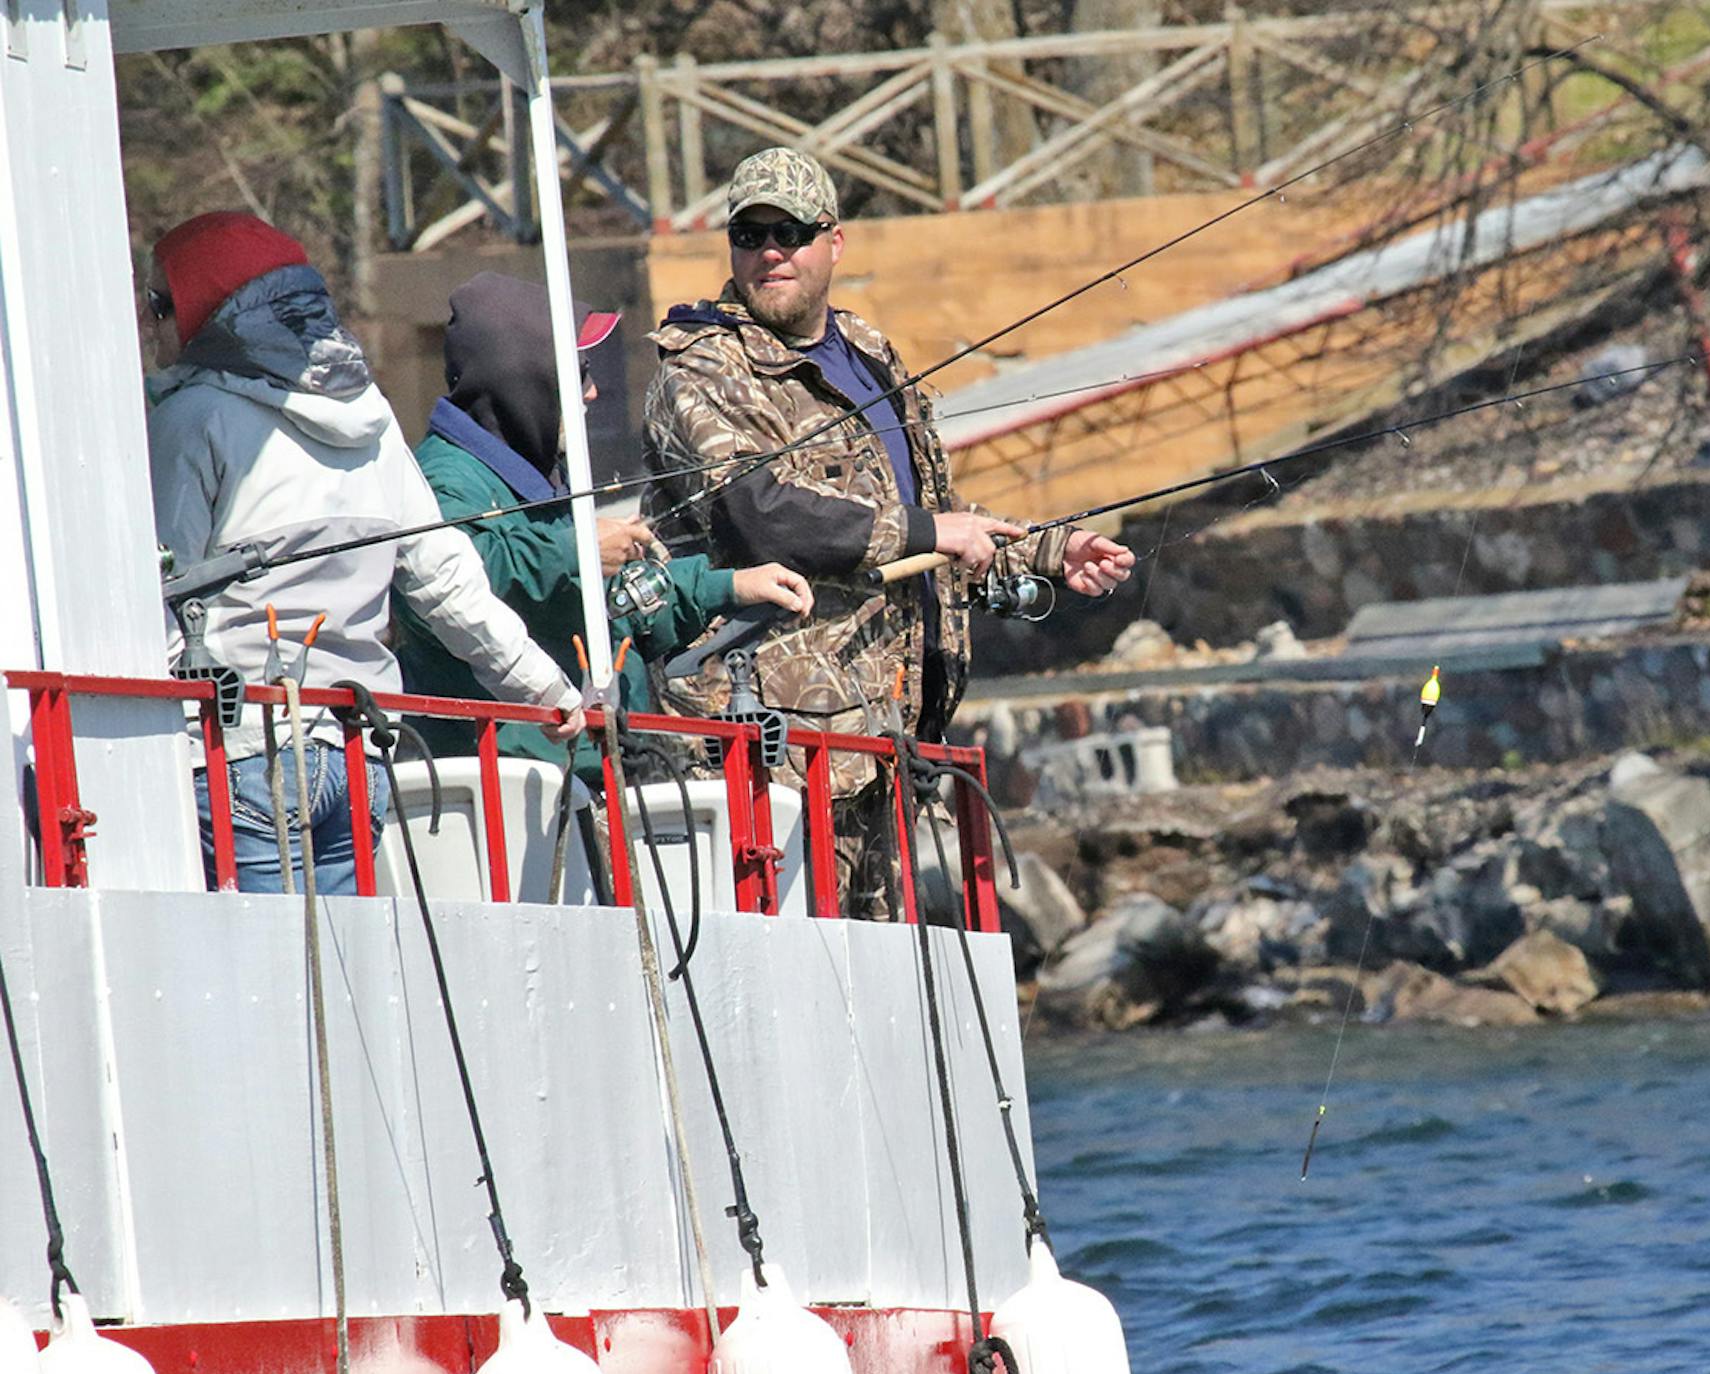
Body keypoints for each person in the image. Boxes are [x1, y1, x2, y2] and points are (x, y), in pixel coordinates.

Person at [642, 147, 1134, 918]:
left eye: (791, 231)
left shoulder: (867, 353)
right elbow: (759, 514)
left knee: (877, 973)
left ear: (833, 242)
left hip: (887, 737)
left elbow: (926, 514)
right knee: (798, 972)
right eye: (750, 234)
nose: (770, 251)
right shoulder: (702, 367)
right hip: (773, 754)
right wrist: (936, 529)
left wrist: (1047, 550)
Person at [145, 212, 580, 894]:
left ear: (204, 312)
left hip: (245, 751)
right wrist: (549, 691)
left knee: (268, 981)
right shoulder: (370, 418)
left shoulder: (192, 417)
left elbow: (158, 597)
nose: (151, 328)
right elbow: (447, 584)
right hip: (358, 750)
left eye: (160, 306)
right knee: (346, 980)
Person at [395, 270, 811, 788]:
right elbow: (457, 580)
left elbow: (611, 605)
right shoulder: (443, 478)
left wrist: (726, 585)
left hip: (594, 774)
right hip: (514, 791)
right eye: (578, 372)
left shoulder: (538, 467)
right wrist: (579, 550)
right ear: (522, 375)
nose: (591, 393)